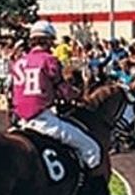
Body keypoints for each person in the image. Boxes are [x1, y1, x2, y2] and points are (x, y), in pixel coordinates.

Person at [10, 20, 101, 171]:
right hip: (43, 120)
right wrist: (78, 96)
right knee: (91, 148)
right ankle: (88, 190)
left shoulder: (19, 61)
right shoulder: (49, 60)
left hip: (19, 120)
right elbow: (64, 91)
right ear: (48, 41)